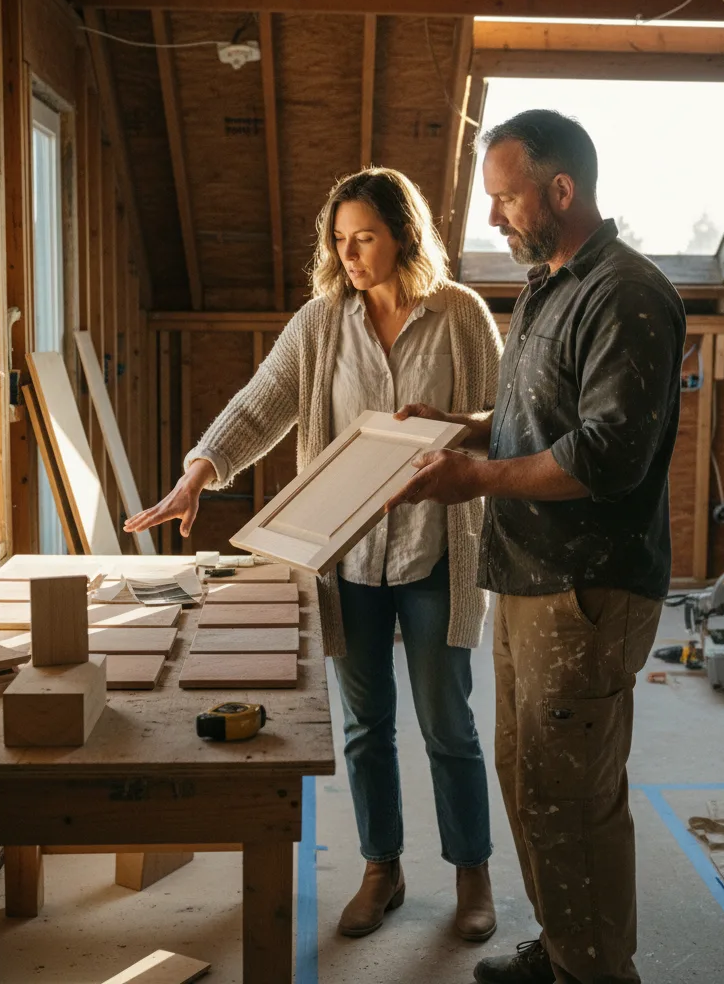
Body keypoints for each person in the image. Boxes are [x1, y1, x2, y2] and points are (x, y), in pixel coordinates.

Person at [124, 168, 503, 942]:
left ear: (403, 232)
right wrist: (198, 474)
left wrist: (453, 423)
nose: (350, 252)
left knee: (448, 725)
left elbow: (505, 419)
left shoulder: (461, 315)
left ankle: (472, 878)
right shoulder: (322, 321)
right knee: (365, 726)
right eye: (339, 238)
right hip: (348, 561)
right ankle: (381, 869)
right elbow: (261, 403)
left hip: (437, 555)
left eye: (364, 236)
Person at [386, 111, 686, 984]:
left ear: (562, 190)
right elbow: (534, 422)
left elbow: (604, 455)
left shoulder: (624, 292)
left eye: (506, 197)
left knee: (577, 796)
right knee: (534, 784)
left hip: (585, 589)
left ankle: (595, 974)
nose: (493, 219)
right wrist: (465, 426)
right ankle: (565, 954)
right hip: (528, 578)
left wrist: (471, 479)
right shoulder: (551, 283)